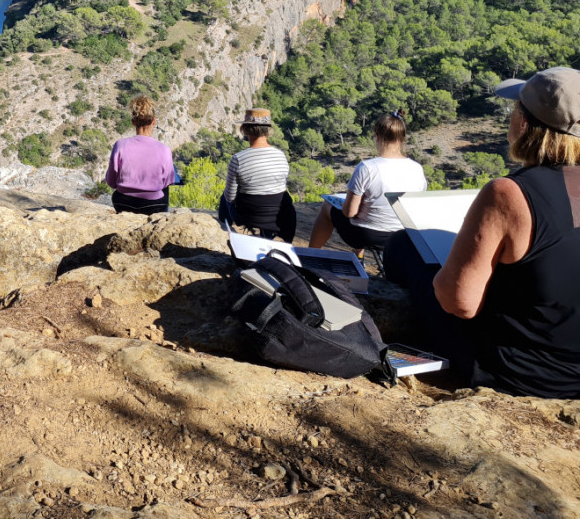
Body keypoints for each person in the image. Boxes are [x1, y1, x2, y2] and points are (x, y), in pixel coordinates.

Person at [386, 67, 580, 397]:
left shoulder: (509, 194)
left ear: (524, 123)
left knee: (403, 247)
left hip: (520, 373)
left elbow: (460, 303)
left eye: (515, 108)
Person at [308, 110, 426, 255]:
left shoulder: (367, 167)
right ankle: (358, 254)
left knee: (328, 206)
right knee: (367, 207)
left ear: (377, 137)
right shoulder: (417, 169)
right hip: (403, 236)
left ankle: (310, 254)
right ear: (402, 138)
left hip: (368, 235)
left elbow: (349, 213)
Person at [218, 108, 295, 242]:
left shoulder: (238, 159)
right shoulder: (281, 155)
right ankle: (268, 233)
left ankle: (223, 231)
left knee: (224, 198)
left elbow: (230, 197)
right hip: (279, 216)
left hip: (249, 216)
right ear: (268, 130)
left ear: (245, 129)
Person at [106, 95, 175, 216]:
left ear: (133, 122)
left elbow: (111, 182)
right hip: (153, 206)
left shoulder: (120, 145)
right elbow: (168, 181)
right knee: (165, 188)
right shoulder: (164, 150)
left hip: (123, 203)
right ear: (154, 121)